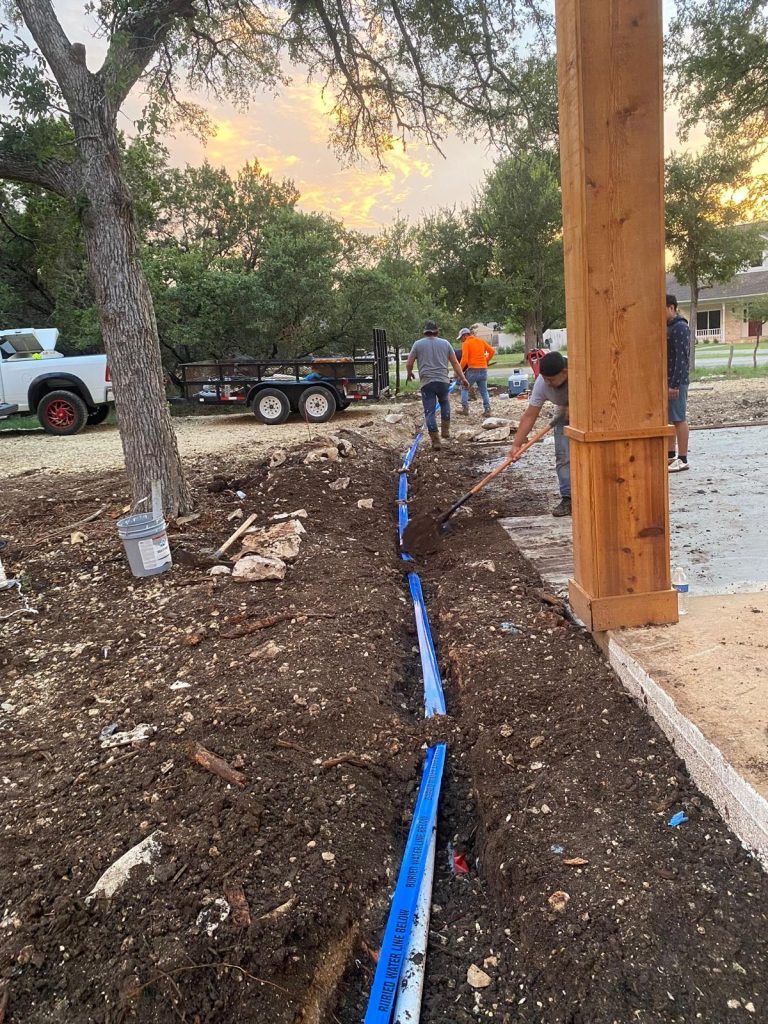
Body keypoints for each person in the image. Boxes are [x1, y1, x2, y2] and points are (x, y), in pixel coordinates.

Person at [508, 351, 571, 517]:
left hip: (593, 411)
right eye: (544, 378)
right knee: (563, 455)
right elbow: (530, 415)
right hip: (563, 414)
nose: (547, 383)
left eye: (550, 379)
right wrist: (516, 444)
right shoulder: (542, 384)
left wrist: (577, 405)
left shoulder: (581, 372)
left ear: (565, 372)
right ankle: (568, 499)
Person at [406, 320, 468, 449]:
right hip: (442, 382)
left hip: (427, 383)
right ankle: (445, 431)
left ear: (425, 332)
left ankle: (435, 441)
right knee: (444, 403)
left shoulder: (418, 344)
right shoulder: (445, 343)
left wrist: (409, 373)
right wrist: (463, 378)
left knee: (429, 411)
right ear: (437, 331)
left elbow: (409, 363)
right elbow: (455, 363)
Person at [666, 294, 690, 472]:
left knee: (679, 418)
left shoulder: (680, 327)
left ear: (671, 307)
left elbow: (682, 358)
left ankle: (683, 459)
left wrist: (674, 384)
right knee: (669, 419)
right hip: (667, 381)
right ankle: (670, 455)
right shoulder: (668, 327)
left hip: (677, 382)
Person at [457, 327, 495, 416]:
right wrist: (486, 360)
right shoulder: (480, 341)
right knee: (484, 391)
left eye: (461, 338)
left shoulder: (466, 343)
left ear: (465, 336)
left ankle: (465, 409)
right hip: (483, 369)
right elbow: (492, 351)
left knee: (464, 387)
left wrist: (459, 370)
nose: (461, 340)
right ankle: (487, 409)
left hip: (473, 370)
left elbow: (464, 359)